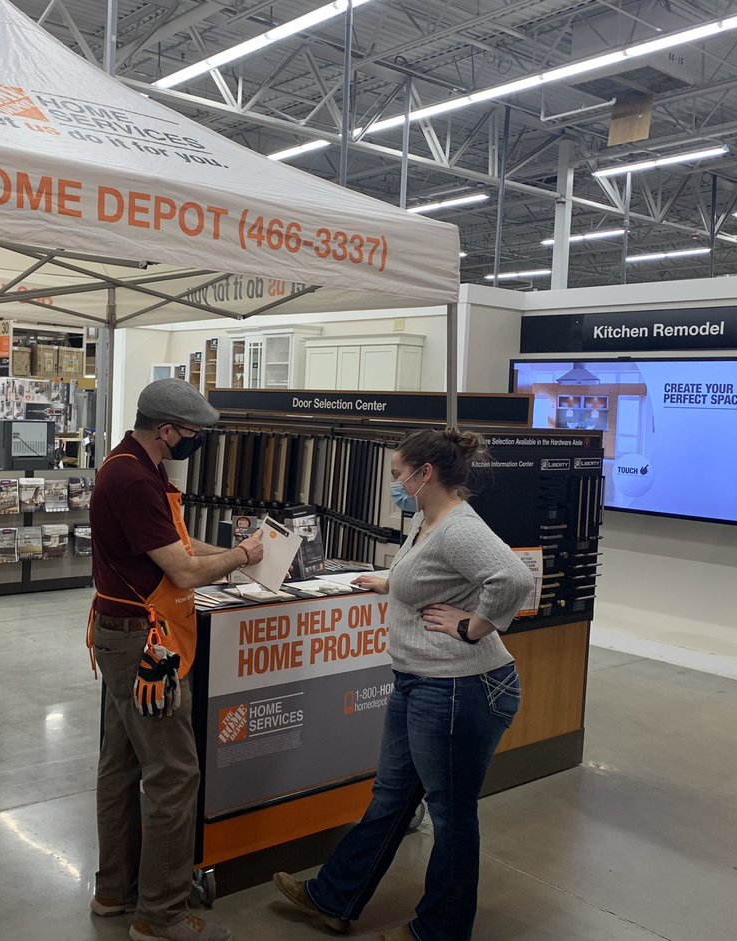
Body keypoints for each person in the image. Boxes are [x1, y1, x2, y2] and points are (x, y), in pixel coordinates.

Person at [272, 428, 534, 941]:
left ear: (424, 474)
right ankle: (334, 898)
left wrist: (473, 624)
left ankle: (440, 930)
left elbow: (515, 579)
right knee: (392, 797)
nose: (394, 483)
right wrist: (391, 582)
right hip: (420, 684)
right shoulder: (424, 519)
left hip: (461, 689)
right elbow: (432, 575)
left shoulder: (459, 527)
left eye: (398, 475)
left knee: (452, 817)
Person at [87, 379, 264, 941]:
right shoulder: (134, 478)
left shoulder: (133, 466)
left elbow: (176, 547)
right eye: (191, 433)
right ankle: (160, 917)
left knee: (121, 766)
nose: (195, 441)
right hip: (148, 645)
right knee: (174, 774)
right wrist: (239, 557)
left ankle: (114, 891)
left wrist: (241, 555)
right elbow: (184, 573)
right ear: (167, 430)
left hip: (124, 636)